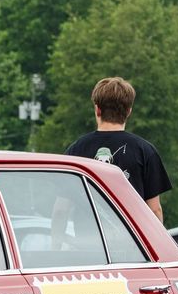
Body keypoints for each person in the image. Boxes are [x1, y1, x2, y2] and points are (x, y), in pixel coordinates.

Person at [63, 77, 171, 223]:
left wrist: (56, 243)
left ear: (97, 109)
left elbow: (62, 208)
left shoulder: (75, 150)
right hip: (129, 244)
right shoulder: (145, 151)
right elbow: (154, 209)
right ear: (128, 111)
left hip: (86, 243)